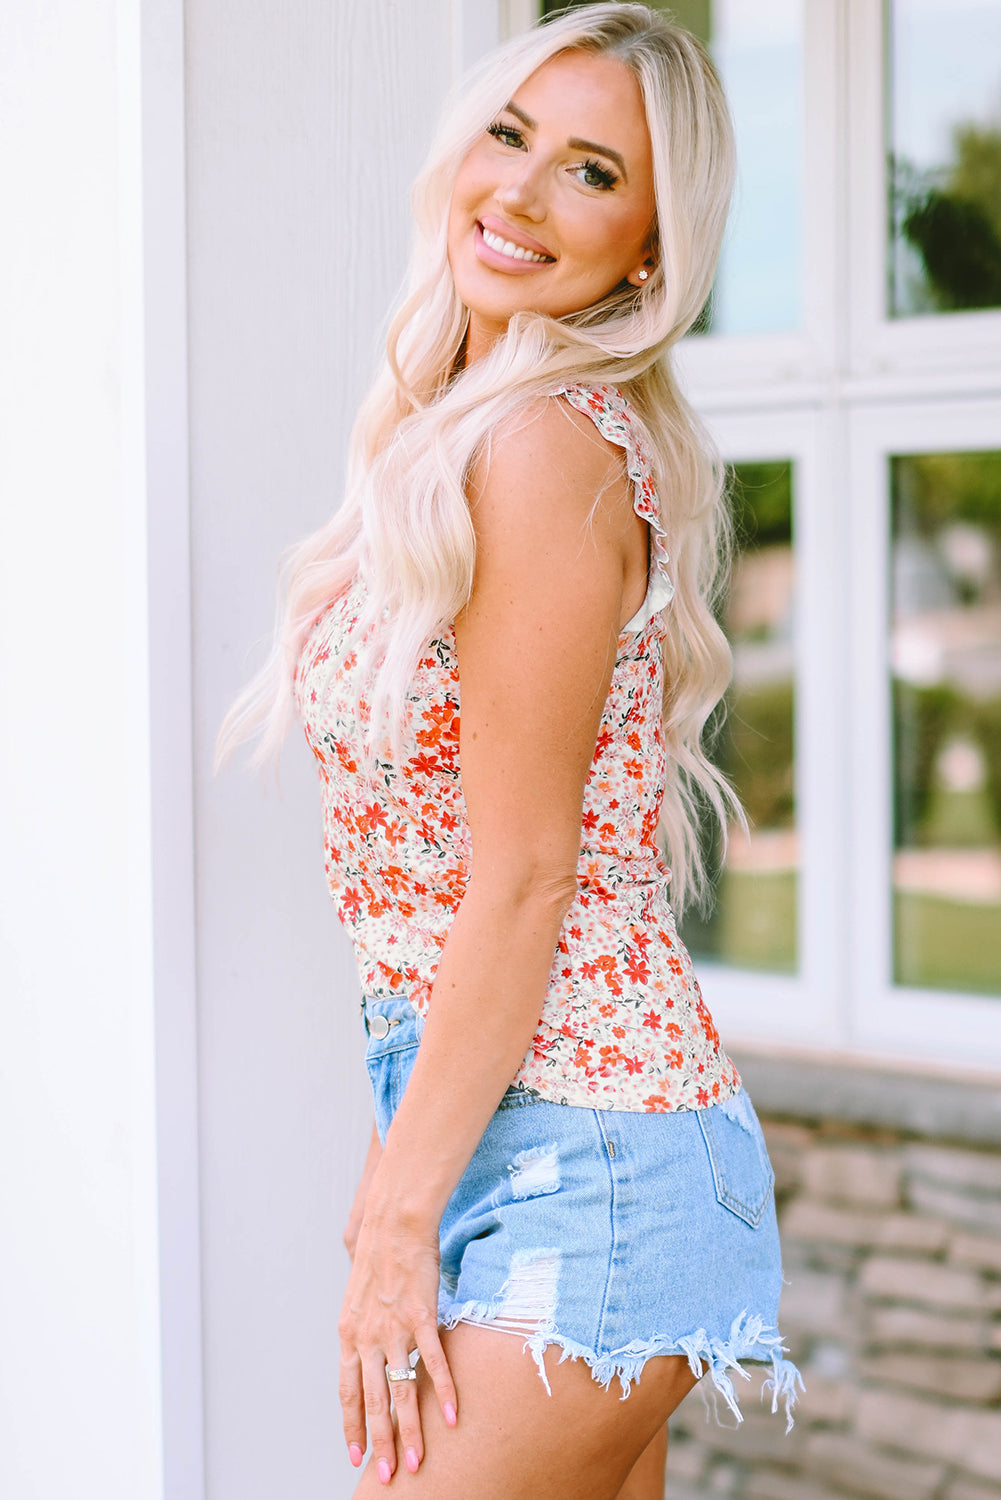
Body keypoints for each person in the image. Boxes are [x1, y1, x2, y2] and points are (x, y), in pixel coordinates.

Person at [218, 4, 803, 1494]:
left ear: (655, 249)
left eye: (593, 172)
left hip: (591, 1165)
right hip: (505, 1136)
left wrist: (395, 1228)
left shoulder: (541, 448)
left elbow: (528, 879)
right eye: (510, 134)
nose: (524, 193)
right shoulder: (453, 443)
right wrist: (400, 1186)